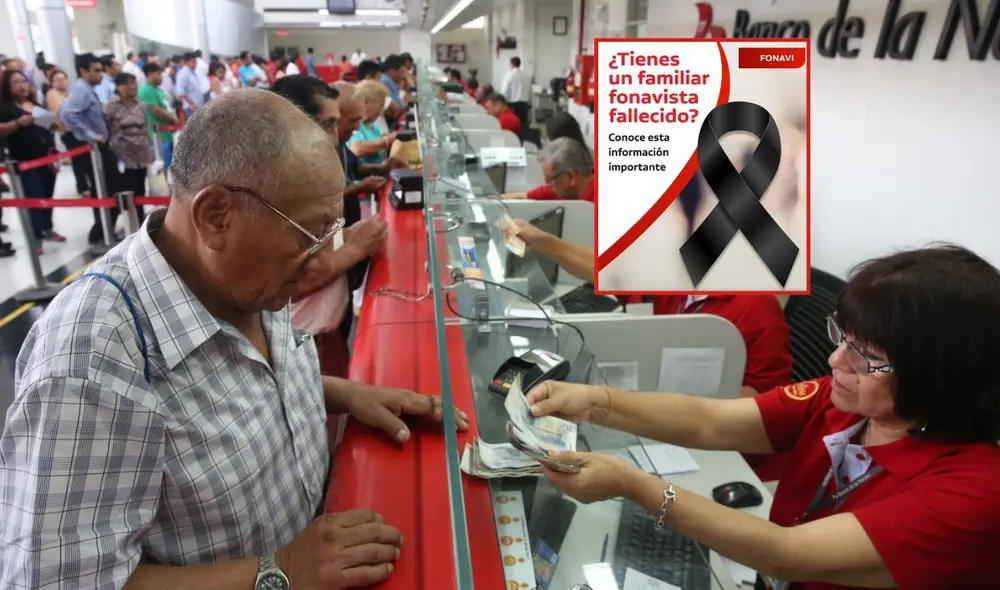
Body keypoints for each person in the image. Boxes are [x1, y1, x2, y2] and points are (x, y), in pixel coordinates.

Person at [0, 89, 470, 588]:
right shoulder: (91, 360)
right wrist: (279, 570)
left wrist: (342, 392)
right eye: (309, 234)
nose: (320, 258)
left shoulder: (247, 280)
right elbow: (54, 581)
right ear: (216, 216)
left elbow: (229, 386)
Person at [528, 245, 1000, 590]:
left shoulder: (975, 491)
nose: (836, 362)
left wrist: (635, 485)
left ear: (938, 376)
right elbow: (708, 421)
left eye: (865, 356)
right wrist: (595, 402)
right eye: (842, 338)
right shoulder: (843, 403)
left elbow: (787, 554)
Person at [271, 76, 389, 378]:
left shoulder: (312, 177)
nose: (337, 137)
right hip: (304, 347)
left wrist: (350, 235)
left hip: (327, 338)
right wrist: (356, 248)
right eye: (328, 125)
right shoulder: (277, 190)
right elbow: (286, 284)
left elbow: (321, 247)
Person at [0, 68, 64, 252]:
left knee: (47, 194)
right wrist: (18, 123)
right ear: (7, 85)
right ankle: (36, 236)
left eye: (24, 81)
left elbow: (48, 125)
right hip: (25, 160)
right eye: (16, 82)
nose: (22, 86)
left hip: (46, 157)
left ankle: (47, 228)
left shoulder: (35, 104)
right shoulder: (5, 107)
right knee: (34, 196)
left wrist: (52, 124)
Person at [61, 52, 121, 246]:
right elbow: (68, 114)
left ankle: (107, 230)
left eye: (101, 70)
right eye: (95, 71)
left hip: (101, 147)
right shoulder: (81, 90)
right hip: (93, 150)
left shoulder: (88, 89)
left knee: (110, 188)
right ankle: (98, 234)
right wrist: (90, 135)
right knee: (103, 190)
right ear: (83, 71)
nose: (100, 75)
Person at [504, 112, 589, 200]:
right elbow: (526, 195)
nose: (549, 186)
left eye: (549, 180)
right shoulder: (566, 181)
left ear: (570, 176)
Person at [104, 72, 153, 223]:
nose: (132, 87)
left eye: (134, 83)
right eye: (128, 84)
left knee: (140, 185)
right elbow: (106, 128)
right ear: (119, 87)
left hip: (141, 152)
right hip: (123, 153)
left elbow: (145, 127)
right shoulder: (111, 106)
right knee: (127, 187)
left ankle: (139, 216)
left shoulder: (141, 104)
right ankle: (130, 219)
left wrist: (150, 148)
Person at [137, 62, 180, 174]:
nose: (161, 77)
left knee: (171, 164)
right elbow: (155, 110)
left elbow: (167, 107)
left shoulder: (160, 90)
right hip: (158, 136)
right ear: (150, 74)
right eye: (159, 74)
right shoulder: (146, 90)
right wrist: (173, 120)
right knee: (162, 165)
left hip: (168, 133)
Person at [348, 80, 395, 165]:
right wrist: (386, 140)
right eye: (380, 106)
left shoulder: (373, 127)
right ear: (365, 102)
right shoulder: (355, 126)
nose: (381, 113)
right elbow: (357, 149)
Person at [501, 56, 532, 128]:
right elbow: (530, 91)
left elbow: (504, 91)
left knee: (513, 127)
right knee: (523, 127)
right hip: (524, 106)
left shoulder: (509, 75)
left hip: (512, 106)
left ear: (511, 64)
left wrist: (502, 103)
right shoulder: (527, 76)